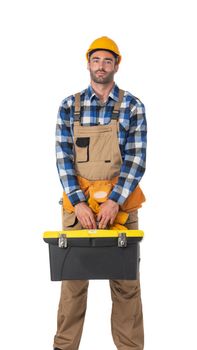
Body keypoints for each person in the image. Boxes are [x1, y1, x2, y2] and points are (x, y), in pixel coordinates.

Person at [54, 36, 147, 350]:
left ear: (117, 64)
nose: (102, 66)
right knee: (72, 285)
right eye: (96, 60)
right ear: (88, 63)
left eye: (108, 60)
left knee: (126, 286)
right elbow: (63, 158)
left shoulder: (133, 106)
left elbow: (136, 158)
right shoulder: (70, 106)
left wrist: (115, 201)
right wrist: (79, 203)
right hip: (77, 210)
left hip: (120, 209)